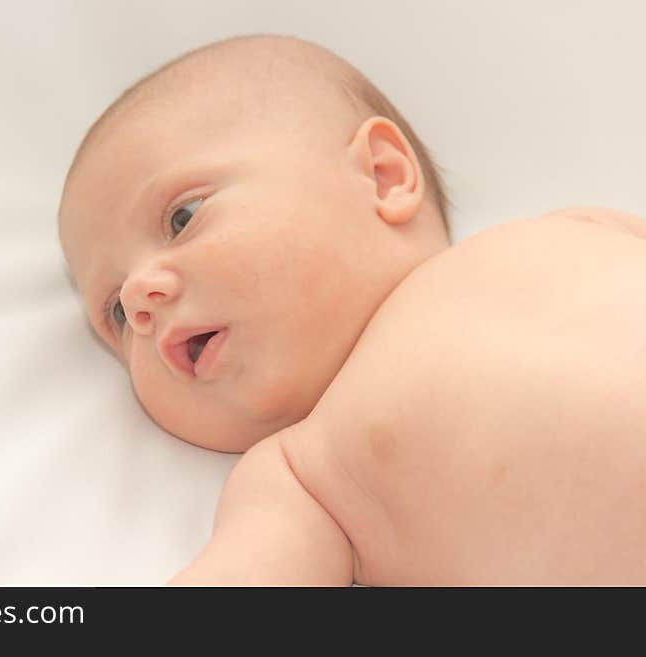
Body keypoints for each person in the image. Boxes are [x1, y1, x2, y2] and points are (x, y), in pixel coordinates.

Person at [57, 34, 646, 585]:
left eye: (181, 219)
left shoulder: (572, 228)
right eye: (112, 315)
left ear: (383, 176)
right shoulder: (303, 481)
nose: (137, 298)